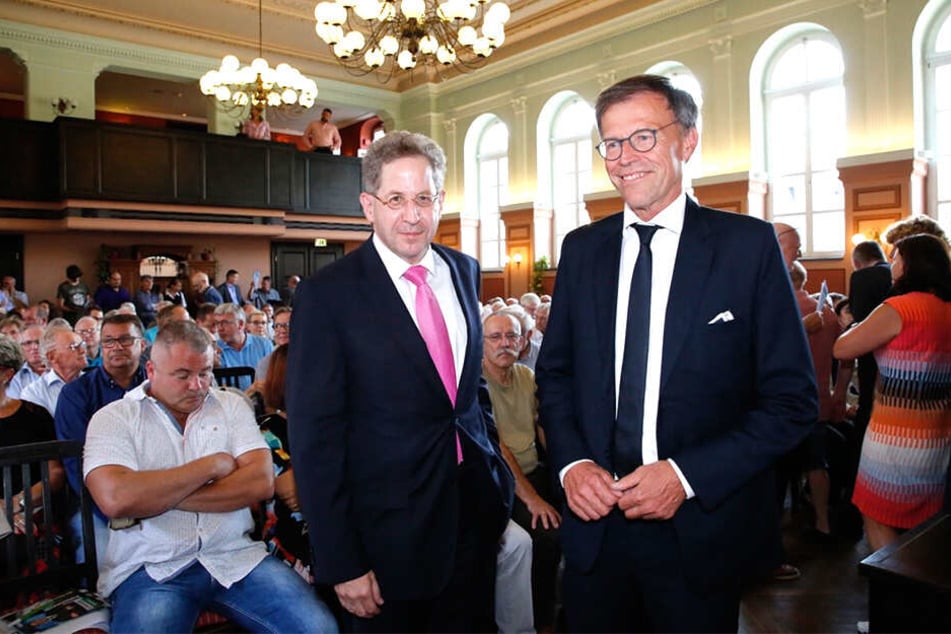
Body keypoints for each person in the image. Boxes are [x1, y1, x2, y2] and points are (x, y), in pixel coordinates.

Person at [534, 75, 816, 632]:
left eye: (642, 137)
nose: (623, 158)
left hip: (700, 532)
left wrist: (685, 477)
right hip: (596, 532)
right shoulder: (582, 250)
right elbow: (557, 375)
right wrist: (570, 464)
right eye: (611, 143)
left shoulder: (746, 247)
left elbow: (791, 402)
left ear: (687, 141)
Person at [287, 131, 514, 633]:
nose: (412, 215)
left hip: (471, 515)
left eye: (423, 198)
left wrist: (493, 471)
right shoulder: (328, 296)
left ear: (441, 201)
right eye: (395, 199)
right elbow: (314, 440)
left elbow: (467, 392)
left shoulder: (463, 270)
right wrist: (342, 559)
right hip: (383, 538)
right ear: (369, 205)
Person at [82, 321, 338, 633]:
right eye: (183, 376)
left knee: (318, 629)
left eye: (204, 372)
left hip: (236, 557)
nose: (197, 385)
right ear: (151, 370)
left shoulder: (230, 405)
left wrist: (154, 496)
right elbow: (116, 499)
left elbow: (260, 482)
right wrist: (213, 466)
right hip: (152, 567)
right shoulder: (114, 418)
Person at [833, 233, 951, 551]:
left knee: (877, 515)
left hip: (893, 437)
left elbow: (842, 349)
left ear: (912, 264)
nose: (892, 265)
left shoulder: (898, 309)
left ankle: (892, 594)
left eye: (896, 258)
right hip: (936, 434)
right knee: (924, 522)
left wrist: (852, 323)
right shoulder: (946, 309)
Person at [482, 310, 561, 632]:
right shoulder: (476, 382)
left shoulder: (526, 376)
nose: (505, 344)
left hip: (535, 470)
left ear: (524, 340)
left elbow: (541, 427)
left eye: (512, 336)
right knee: (546, 536)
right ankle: (541, 622)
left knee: (585, 520)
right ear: (481, 343)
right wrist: (532, 499)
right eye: (496, 337)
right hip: (501, 480)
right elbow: (499, 448)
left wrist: (564, 473)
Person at [55, 312, 149, 562]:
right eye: (108, 341)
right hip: (95, 497)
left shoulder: (157, 387)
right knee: (101, 554)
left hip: (155, 488)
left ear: (143, 344)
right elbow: (76, 463)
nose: (116, 347)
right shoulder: (76, 394)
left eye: (126, 340)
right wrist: (110, 507)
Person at [19, 324, 87, 415]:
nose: (82, 351)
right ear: (52, 356)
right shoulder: (34, 393)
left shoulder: (96, 383)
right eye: (74, 347)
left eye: (82, 345)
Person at [7, 325, 46, 399]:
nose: (35, 347)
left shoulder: (61, 370)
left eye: (39, 342)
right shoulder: (15, 376)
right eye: (28, 343)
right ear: (20, 348)